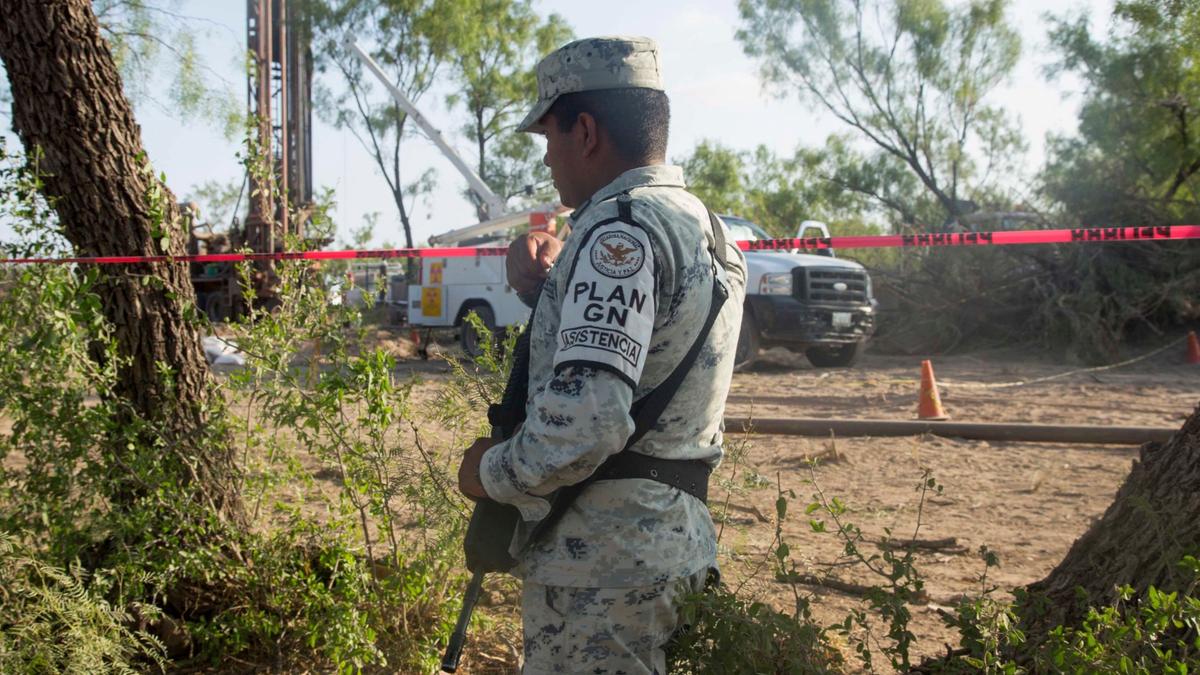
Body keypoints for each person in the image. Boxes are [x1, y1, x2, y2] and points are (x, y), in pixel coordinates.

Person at [456, 35, 747, 674]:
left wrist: (491, 471)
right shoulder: (707, 228)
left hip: (604, 569)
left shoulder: (619, 227)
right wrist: (553, 282)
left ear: (585, 131)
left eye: (549, 137)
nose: (550, 158)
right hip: (672, 545)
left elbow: (585, 426)